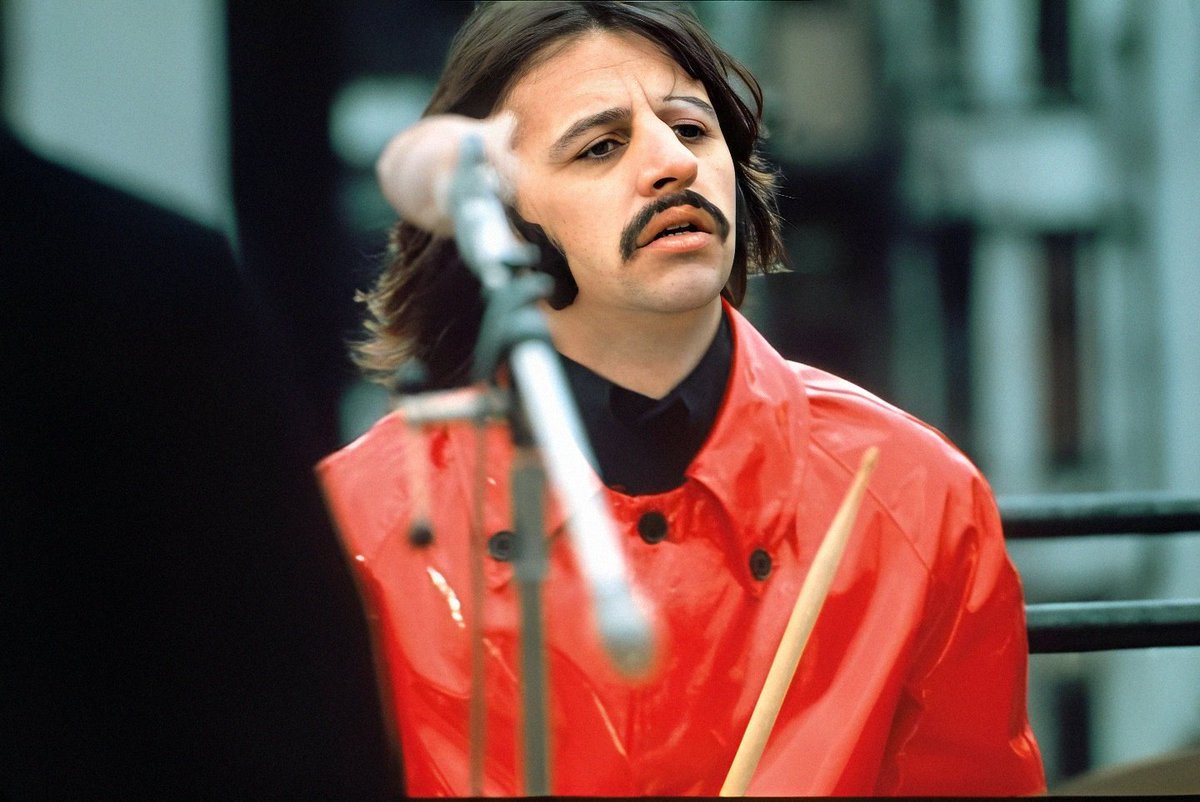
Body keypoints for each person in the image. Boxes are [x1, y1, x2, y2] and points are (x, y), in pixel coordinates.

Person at [318, 1, 1046, 796]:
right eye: (600, 146)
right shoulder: (362, 524)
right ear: (497, 218)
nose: (672, 163)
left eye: (693, 129)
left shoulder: (917, 495)